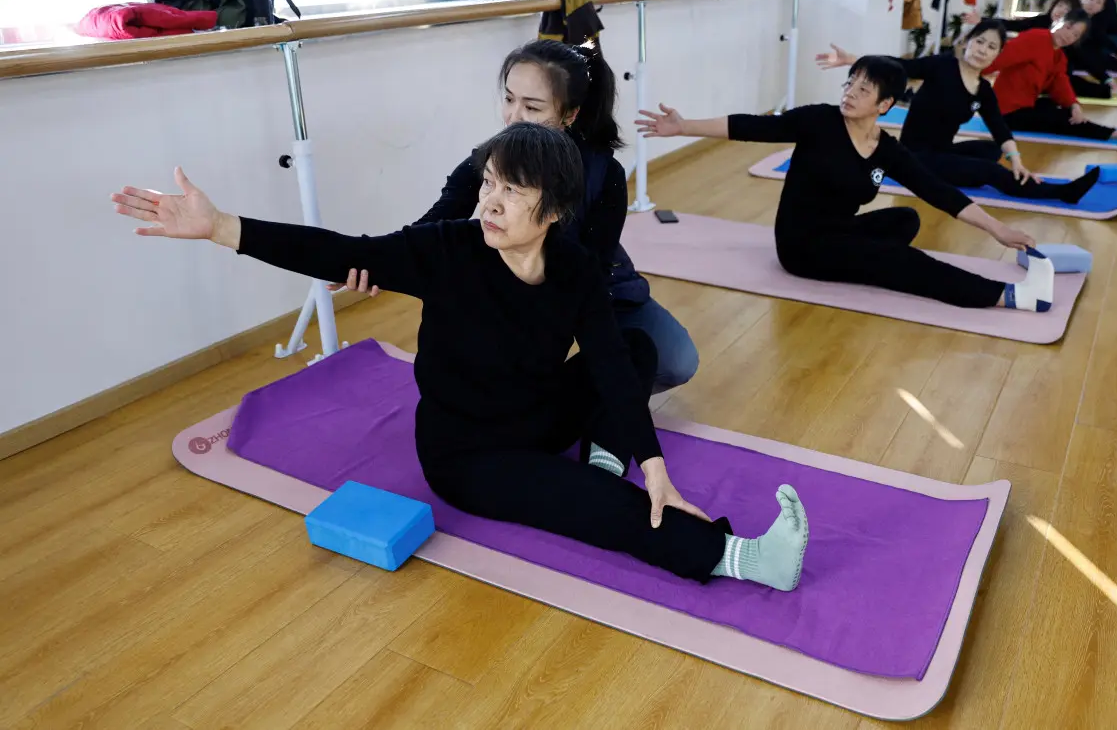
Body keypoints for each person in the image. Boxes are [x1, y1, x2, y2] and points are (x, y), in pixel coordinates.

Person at [108, 123, 809, 591]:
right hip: (469, 454)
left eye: (511, 190)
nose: (490, 202)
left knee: (632, 343)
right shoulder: (446, 249)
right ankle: (742, 557)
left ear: (554, 210)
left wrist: (654, 465)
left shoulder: (573, 266)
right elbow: (342, 250)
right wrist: (221, 227)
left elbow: (608, 364)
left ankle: (608, 453)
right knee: (593, 505)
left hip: (535, 415)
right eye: (488, 183)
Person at [333, 39, 700, 395]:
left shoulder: (604, 174)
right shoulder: (484, 162)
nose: (514, 116)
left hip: (590, 287)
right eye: (509, 99)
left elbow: (592, 268)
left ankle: (576, 396)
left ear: (570, 114)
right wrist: (368, 260)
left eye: (533, 107)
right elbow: (430, 228)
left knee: (675, 360)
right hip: (507, 289)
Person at [635, 57, 1058, 312]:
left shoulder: (884, 147)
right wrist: (683, 125)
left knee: (906, 219)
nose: (851, 93)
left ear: (885, 105)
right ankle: (1008, 296)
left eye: (864, 88)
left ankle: (872, 260)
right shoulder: (819, 121)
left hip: (840, 233)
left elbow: (935, 189)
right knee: (905, 263)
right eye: (850, 83)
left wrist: (997, 229)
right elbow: (752, 127)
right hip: (803, 247)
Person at [817, 20, 1102, 205]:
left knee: (993, 150)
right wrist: (852, 59)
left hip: (942, 150)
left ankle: (1000, 174)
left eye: (992, 47)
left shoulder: (983, 90)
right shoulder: (941, 66)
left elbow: (999, 127)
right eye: (979, 41)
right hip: (916, 157)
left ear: (997, 55)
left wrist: (1017, 161)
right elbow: (899, 66)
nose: (982, 50)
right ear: (967, 42)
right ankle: (1061, 193)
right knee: (990, 171)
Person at [983, 8, 1117, 143]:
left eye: (1075, 35)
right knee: (1060, 119)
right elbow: (1000, 58)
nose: (1069, 35)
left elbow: (1060, 83)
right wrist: (968, 72)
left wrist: (1074, 105)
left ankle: (1115, 132)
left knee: (1064, 111)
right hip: (1005, 113)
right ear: (1058, 21)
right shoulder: (1035, 38)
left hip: (1025, 106)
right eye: (1068, 27)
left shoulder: (1059, 56)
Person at [961, 0, 1079, 33]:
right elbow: (1012, 25)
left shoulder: (1071, 32)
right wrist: (982, 20)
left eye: (1067, 10)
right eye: (1059, 6)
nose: (1060, 11)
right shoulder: (1042, 21)